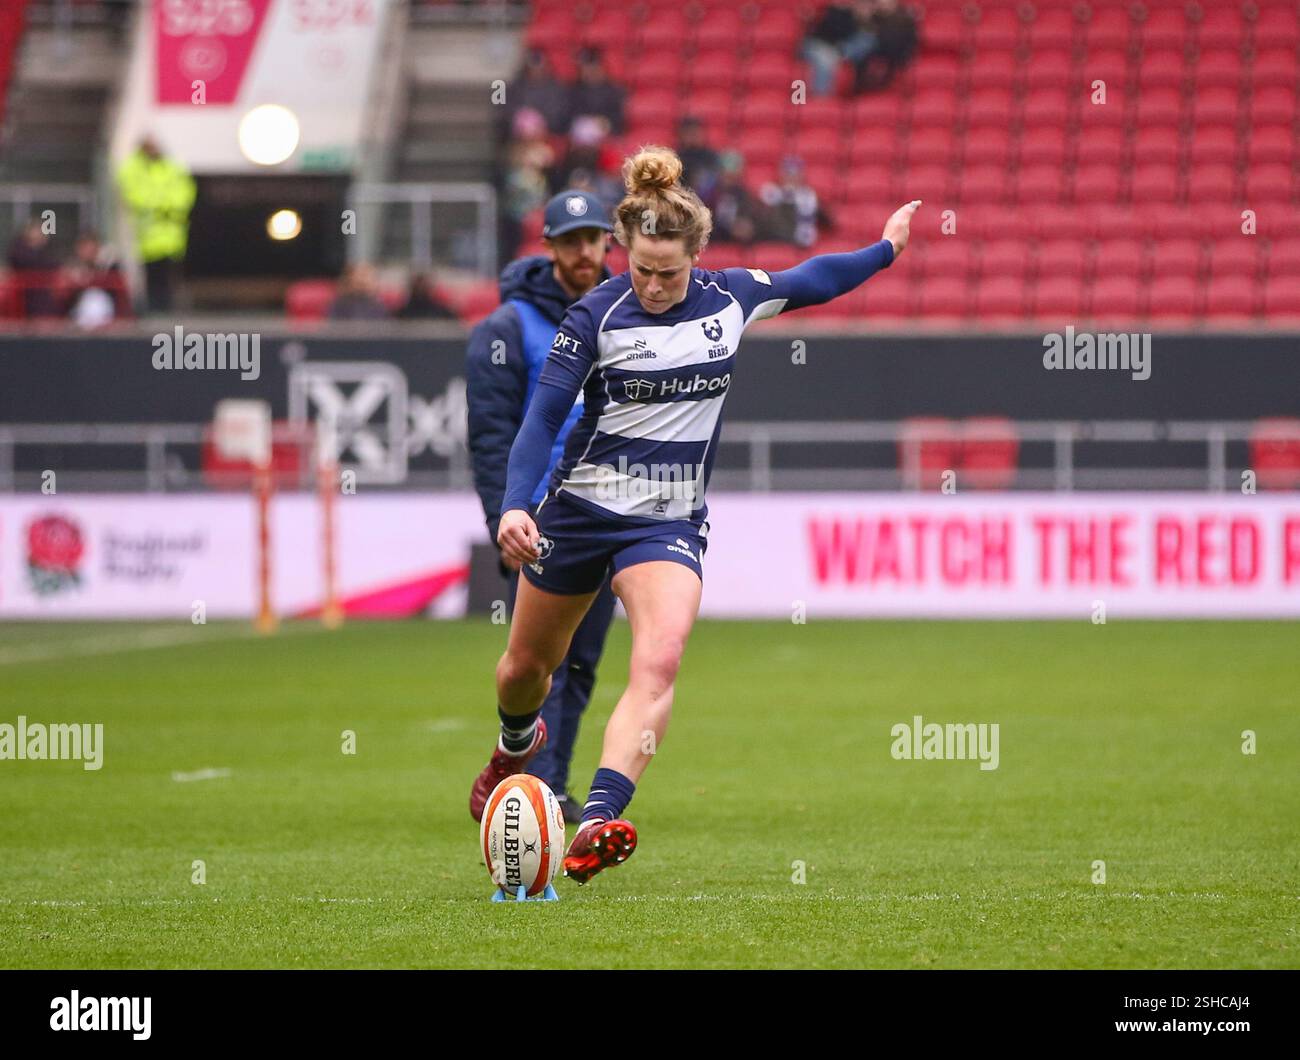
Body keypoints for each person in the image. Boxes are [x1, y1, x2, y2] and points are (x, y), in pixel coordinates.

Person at [470, 145, 919, 884]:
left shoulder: (732, 298)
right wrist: (516, 507)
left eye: (667, 271)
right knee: (525, 670)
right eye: (640, 267)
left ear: (696, 256)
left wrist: (885, 249)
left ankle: (599, 819)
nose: (651, 284)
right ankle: (512, 746)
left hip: (665, 523)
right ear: (627, 252)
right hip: (579, 512)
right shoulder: (594, 315)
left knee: (660, 660)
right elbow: (541, 418)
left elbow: (815, 279)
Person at [466, 189, 620, 824]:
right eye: (573, 240)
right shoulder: (505, 329)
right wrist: (502, 517)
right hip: (542, 518)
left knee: (581, 663)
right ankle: (542, 792)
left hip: (613, 507)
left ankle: (544, 783)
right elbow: (492, 437)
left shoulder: (625, 312)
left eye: (595, 239)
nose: (586, 251)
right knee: (540, 664)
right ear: (550, 247)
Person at [115, 136, 196, 314]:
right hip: (148, 239)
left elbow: (186, 192)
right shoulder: (133, 168)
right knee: (152, 277)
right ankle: (154, 311)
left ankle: (169, 310)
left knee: (171, 277)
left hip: (172, 238)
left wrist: (167, 206)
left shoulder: (172, 167)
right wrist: (160, 206)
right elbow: (133, 194)